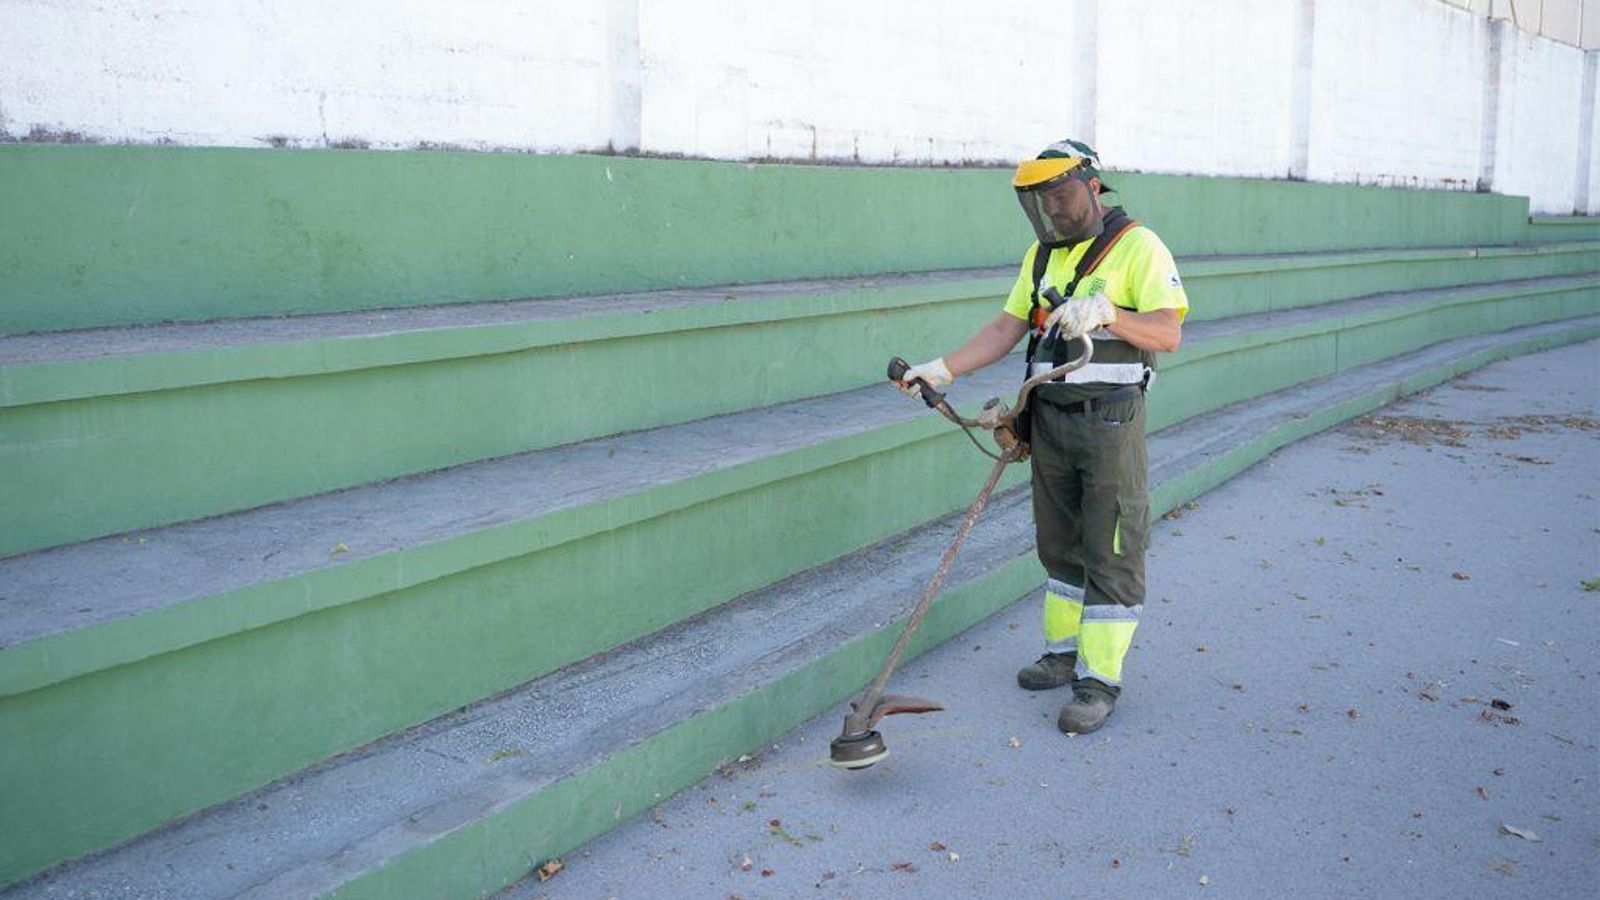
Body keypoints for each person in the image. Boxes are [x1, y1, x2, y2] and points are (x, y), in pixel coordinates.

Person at [899, 139, 1188, 735]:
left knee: (1110, 547)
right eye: (1043, 201)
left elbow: (1167, 332)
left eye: (1061, 195)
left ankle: (1098, 681)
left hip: (1109, 421)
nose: (1053, 210)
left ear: (1092, 186)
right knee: (1059, 545)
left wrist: (1109, 313)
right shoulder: (1041, 256)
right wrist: (944, 368)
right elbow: (1007, 327)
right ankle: (1061, 653)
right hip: (1049, 420)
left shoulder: (1139, 246)